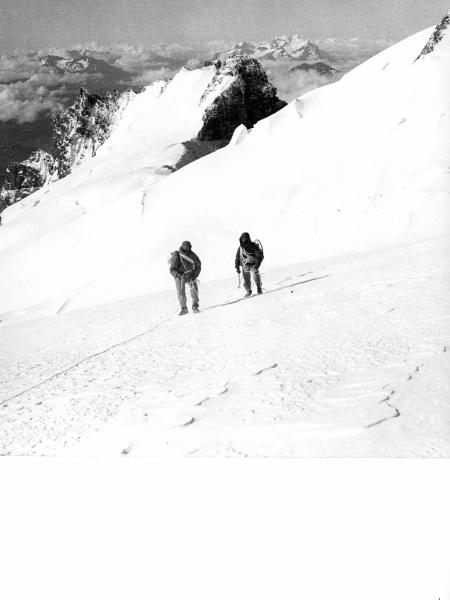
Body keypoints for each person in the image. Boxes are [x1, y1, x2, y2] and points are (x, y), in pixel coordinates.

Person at [169, 240, 201, 315]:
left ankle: (195, 305)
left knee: (194, 287)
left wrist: (193, 275)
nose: (187, 249)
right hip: (179, 275)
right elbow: (172, 269)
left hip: (189, 274)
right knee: (180, 291)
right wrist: (178, 275)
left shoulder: (192, 255)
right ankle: (184, 308)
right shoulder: (177, 255)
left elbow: (198, 266)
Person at [235, 232, 263, 296]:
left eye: (245, 238)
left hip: (254, 264)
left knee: (256, 276)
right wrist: (237, 267)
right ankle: (248, 291)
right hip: (245, 265)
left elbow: (259, 255)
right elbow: (237, 257)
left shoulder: (254, 245)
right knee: (246, 279)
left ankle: (259, 288)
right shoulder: (240, 248)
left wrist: (257, 265)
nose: (244, 239)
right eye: (243, 238)